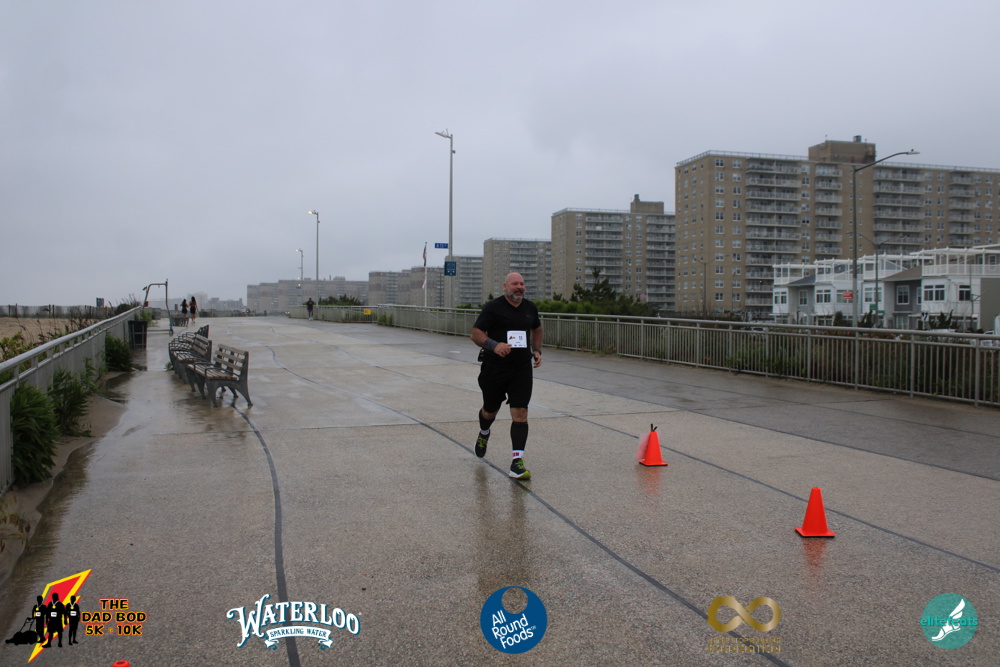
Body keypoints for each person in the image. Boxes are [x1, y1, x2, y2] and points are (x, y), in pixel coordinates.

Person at [470, 272, 542, 479]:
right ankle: (484, 432)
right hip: (495, 368)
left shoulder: (530, 308)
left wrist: (537, 350)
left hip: (521, 368)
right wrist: (494, 345)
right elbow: (475, 334)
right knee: (490, 411)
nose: (519, 287)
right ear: (505, 287)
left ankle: (516, 463)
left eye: (522, 284)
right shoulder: (493, 308)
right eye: (515, 284)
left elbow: (537, 328)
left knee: (521, 413)